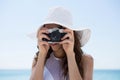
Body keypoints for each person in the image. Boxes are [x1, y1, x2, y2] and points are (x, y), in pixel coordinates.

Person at [30, 7, 93, 80]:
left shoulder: (86, 60)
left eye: (56, 32)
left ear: (68, 32)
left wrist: (70, 54)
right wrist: (42, 54)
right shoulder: (38, 59)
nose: (53, 37)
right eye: (49, 32)